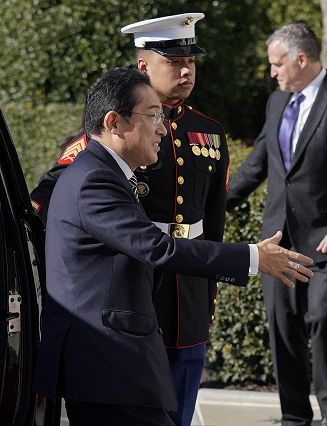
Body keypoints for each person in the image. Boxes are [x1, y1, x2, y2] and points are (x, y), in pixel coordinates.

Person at [33, 67, 313, 426]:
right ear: (114, 122)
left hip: (112, 366)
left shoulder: (104, 173)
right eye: (152, 116)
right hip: (107, 365)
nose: (163, 129)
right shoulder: (94, 180)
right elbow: (158, 248)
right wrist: (254, 256)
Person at [30, 13, 236, 425]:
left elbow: (214, 219)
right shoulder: (110, 134)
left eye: (190, 62)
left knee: (180, 405)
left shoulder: (208, 132)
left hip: (188, 292)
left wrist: (209, 289)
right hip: (133, 296)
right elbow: (47, 201)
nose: (186, 71)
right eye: (174, 62)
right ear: (144, 65)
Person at [227, 22, 327, 426]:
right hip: (279, 243)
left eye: (277, 64)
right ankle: (295, 418)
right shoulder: (277, 102)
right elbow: (258, 164)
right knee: (283, 329)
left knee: (323, 320)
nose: (272, 72)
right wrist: (215, 206)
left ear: (301, 59)